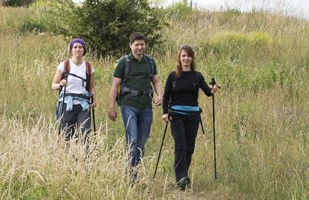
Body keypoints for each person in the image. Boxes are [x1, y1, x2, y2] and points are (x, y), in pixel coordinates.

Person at [162, 44, 219, 190]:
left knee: (190, 147)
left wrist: (213, 89)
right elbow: (166, 95)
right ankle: (181, 176)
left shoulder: (197, 76)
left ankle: (183, 175)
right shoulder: (173, 76)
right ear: (179, 58)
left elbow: (207, 92)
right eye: (183, 56)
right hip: (176, 115)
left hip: (193, 116)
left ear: (192, 58)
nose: (186, 58)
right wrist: (165, 112)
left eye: (188, 56)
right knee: (181, 145)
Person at [107, 32, 161, 179]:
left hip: (146, 107)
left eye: (142, 44)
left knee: (142, 143)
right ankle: (131, 176)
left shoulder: (150, 62)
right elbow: (115, 86)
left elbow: (156, 81)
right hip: (128, 106)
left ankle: (133, 170)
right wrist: (111, 108)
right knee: (133, 139)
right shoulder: (124, 62)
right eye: (136, 44)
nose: (139, 47)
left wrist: (159, 95)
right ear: (130, 45)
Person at [50, 37, 94, 143]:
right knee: (66, 135)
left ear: (84, 50)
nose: (77, 49)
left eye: (80, 47)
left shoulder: (88, 67)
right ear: (71, 50)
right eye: (75, 47)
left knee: (84, 133)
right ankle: (68, 157)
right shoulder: (64, 65)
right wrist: (60, 84)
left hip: (83, 104)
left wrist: (94, 99)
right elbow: (53, 85)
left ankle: (84, 158)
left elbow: (92, 87)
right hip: (67, 104)